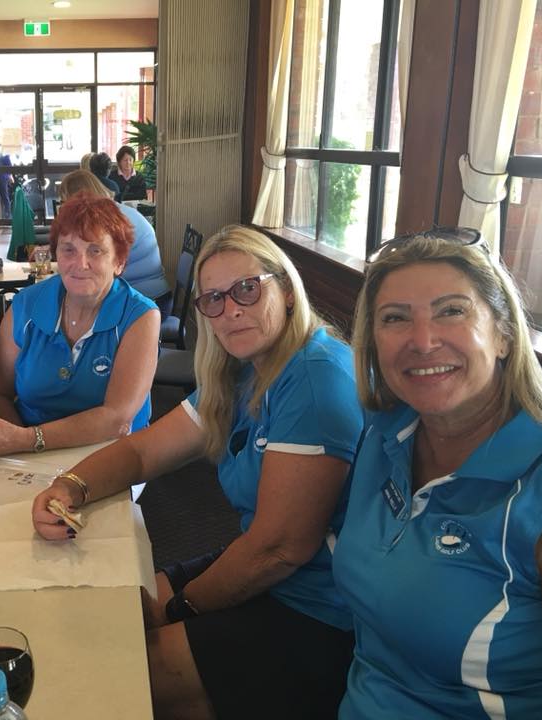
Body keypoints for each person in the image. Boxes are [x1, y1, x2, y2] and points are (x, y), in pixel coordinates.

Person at [31, 225, 364, 720]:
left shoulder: (315, 379)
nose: (231, 310)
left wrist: (179, 609)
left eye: (247, 289)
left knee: (111, 673)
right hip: (270, 570)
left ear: (288, 291)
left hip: (320, 610)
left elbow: (276, 551)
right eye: (213, 299)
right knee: (114, 609)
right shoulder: (245, 369)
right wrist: (70, 486)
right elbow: (142, 453)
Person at [333, 227, 542, 719]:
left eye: (451, 311)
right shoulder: (384, 435)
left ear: (503, 334)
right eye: (395, 318)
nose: (422, 341)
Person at [0, 194, 160, 456]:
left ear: (119, 262)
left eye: (95, 250)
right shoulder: (26, 305)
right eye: (68, 249)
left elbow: (116, 419)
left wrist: (28, 440)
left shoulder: (140, 316)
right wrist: (18, 445)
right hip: (26, 447)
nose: (80, 264)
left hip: (111, 451)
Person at [57, 170, 171, 314]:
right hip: (148, 293)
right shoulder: (113, 211)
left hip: (148, 302)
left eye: (65, 201)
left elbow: (102, 268)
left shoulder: (109, 220)